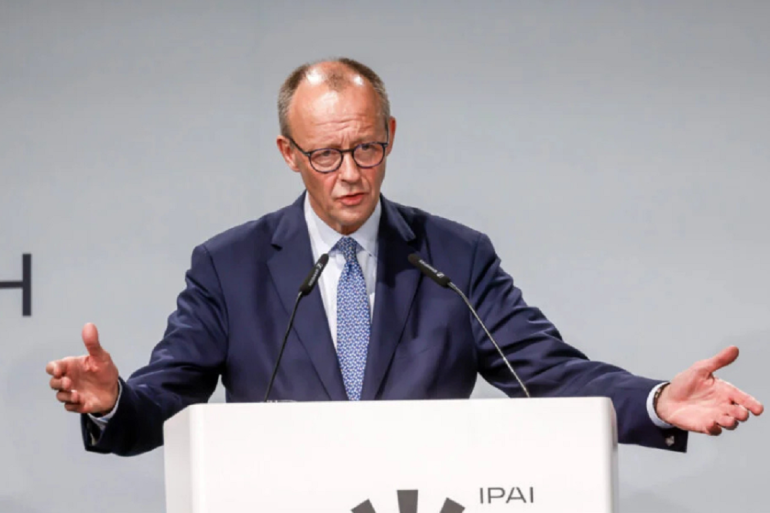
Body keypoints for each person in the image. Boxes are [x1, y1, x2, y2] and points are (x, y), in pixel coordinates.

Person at [46, 58, 763, 457]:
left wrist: (656, 400)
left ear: (390, 134)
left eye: (367, 147)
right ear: (288, 154)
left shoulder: (454, 255)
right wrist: (114, 402)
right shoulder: (228, 266)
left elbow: (548, 373)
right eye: (325, 155)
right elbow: (168, 398)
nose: (350, 174)